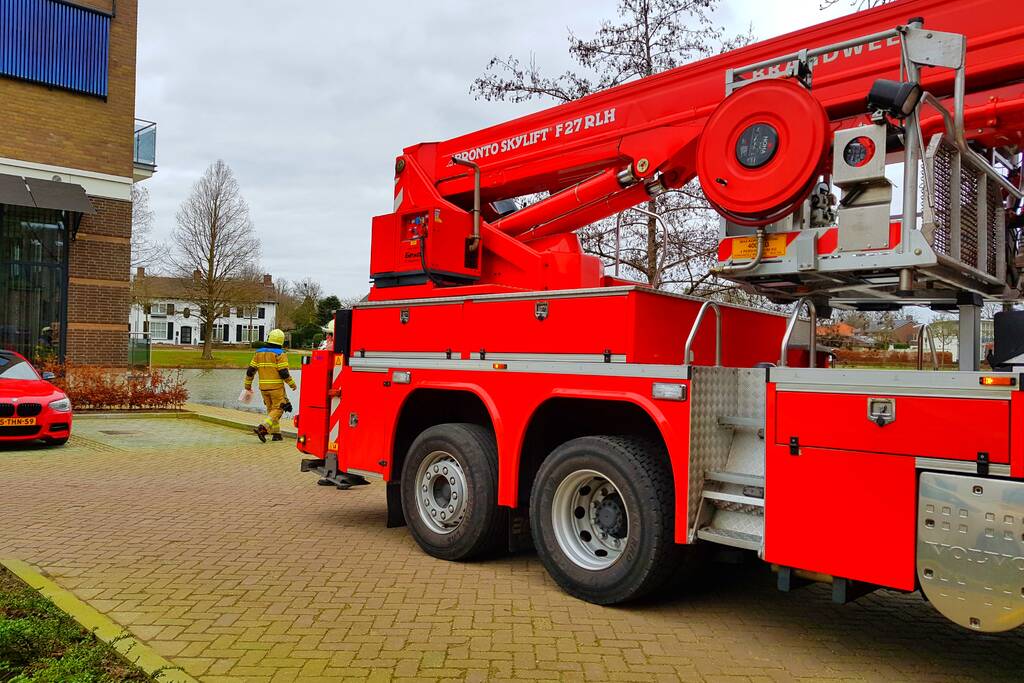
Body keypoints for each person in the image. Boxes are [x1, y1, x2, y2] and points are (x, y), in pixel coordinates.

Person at [244, 328, 296, 442]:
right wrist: (292, 384)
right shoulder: (280, 354)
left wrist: (247, 385)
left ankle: (276, 434)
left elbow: (250, 370)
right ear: (281, 341)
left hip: (263, 388)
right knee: (279, 409)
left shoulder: (258, 353)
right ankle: (262, 428)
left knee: (271, 411)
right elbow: (283, 372)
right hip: (276, 388)